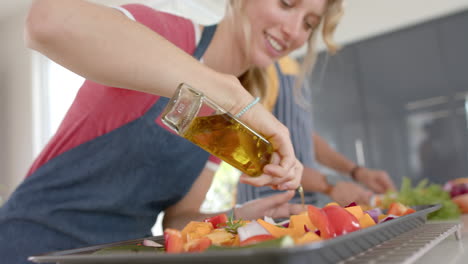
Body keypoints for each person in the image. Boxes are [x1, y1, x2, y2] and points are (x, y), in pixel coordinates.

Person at [0, 0, 344, 263]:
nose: (293, 30)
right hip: (29, 246)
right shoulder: (171, 37)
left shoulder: (230, 112)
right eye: (286, 3)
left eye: (309, 24)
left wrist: (241, 218)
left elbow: (178, 222)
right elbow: (46, 22)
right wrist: (229, 93)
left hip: (116, 255)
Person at [237, 56, 396, 207]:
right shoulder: (260, 69)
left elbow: (306, 136)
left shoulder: (294, 69)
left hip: (304, 199)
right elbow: (258, 153)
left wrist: (357, 172)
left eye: (307, 27)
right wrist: (331, 184)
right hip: (266, 202)